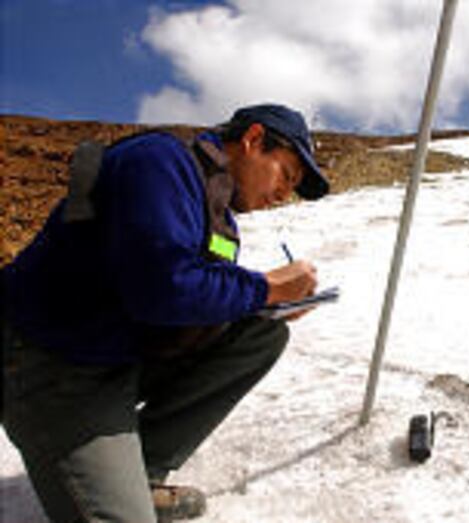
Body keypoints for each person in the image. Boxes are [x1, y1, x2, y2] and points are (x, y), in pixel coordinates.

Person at [1, 104, 329, 522]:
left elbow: (195, 296)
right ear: (252, 140)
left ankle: (142, 474)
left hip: (114, 356)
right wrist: (265, 287)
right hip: (50, 367)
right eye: (287, 174)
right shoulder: (161, 161)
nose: (284, 194)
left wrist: (271, 303)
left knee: (261, 333)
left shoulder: (218, 212)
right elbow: (160, 289)